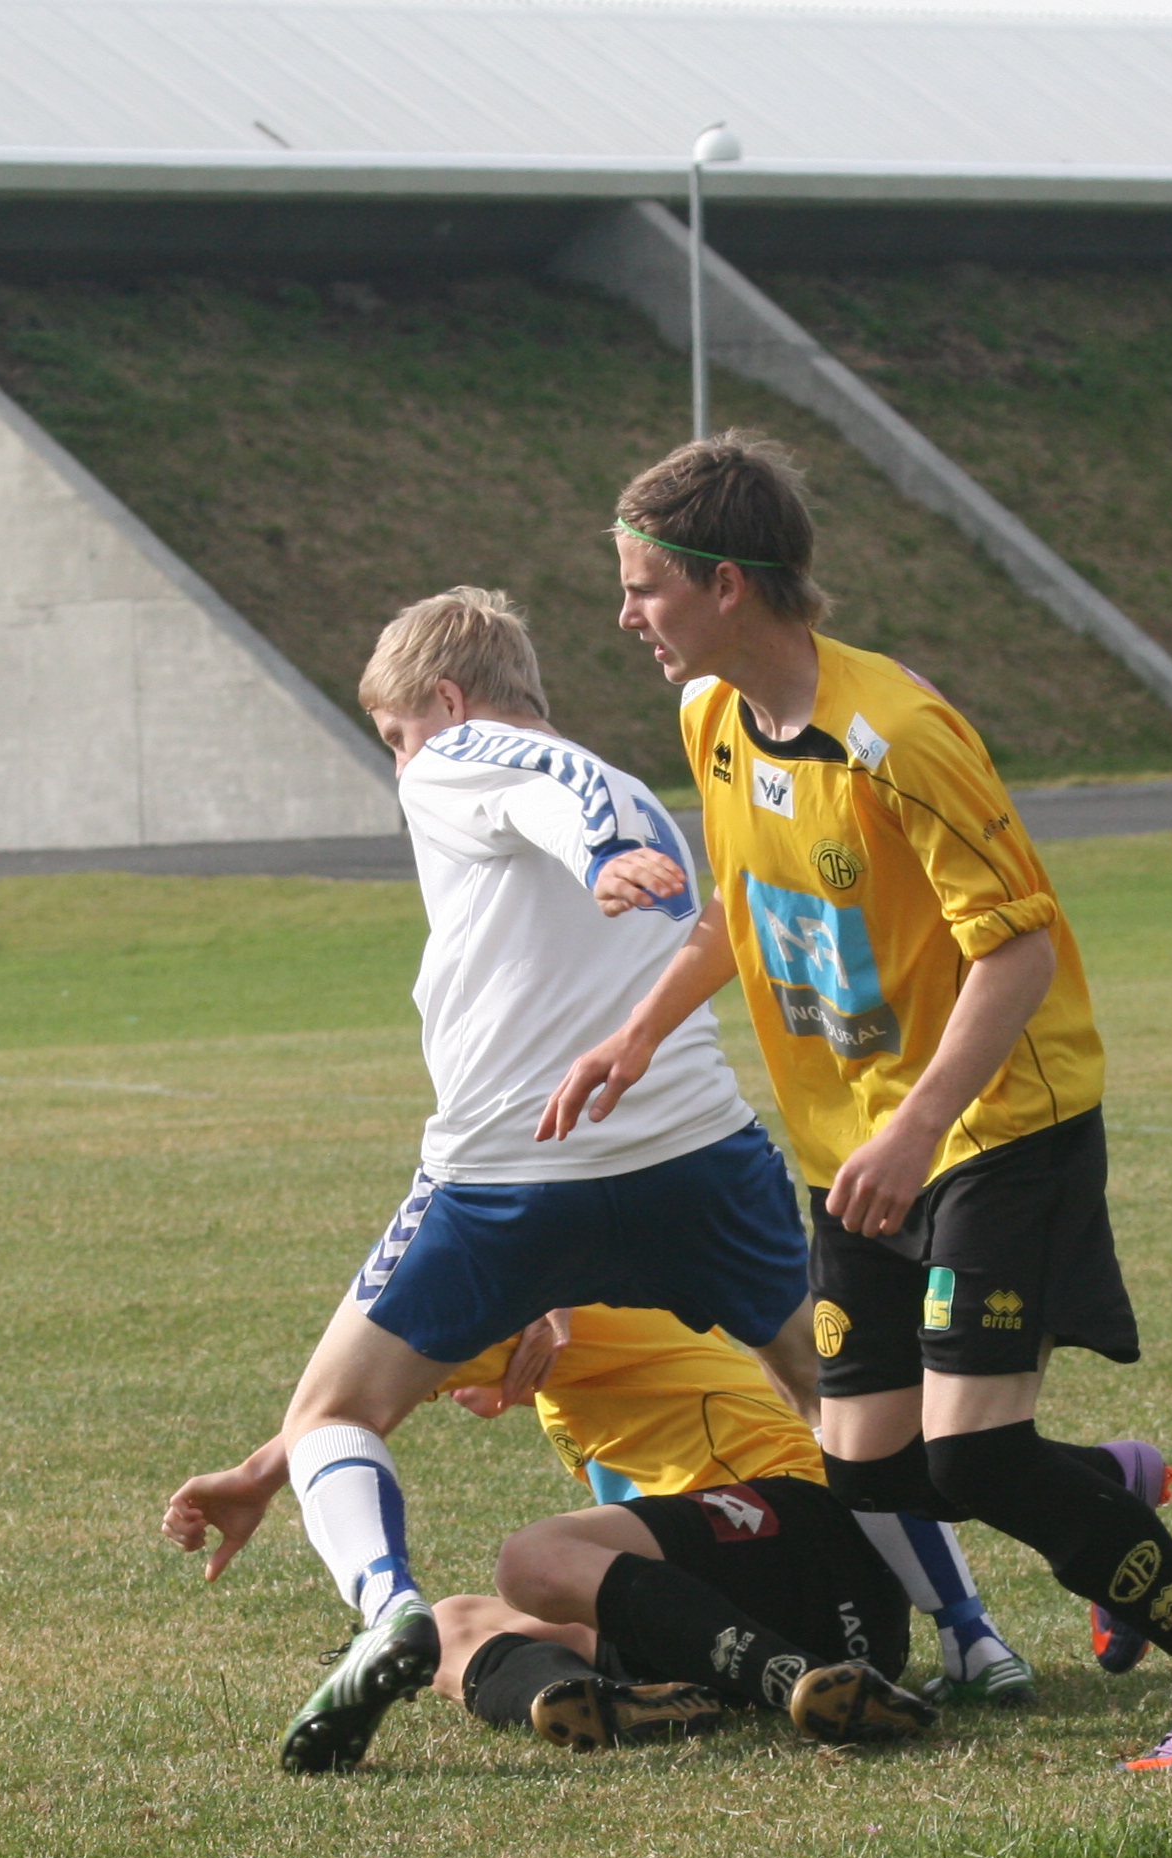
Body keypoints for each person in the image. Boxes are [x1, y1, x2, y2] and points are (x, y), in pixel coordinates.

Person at [545, 437, 1172, 1770]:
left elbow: (1018, 952)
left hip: (993, 1130)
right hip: (855, 1149)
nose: (625, 616)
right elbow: (742, 903)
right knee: (869, 1466)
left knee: (974, 1460)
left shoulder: (899, 738)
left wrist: (917, 1131)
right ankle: (1105, 1488)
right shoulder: (713, 719)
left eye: (643, 587)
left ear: (727, 584)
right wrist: (636, 1034)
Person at [162, 586, 820, 1773]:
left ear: (447, 701)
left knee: (336, 1414)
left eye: (395, 736)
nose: (402, 766)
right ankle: (972, 1633)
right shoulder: (638, 794)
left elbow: (541, 786)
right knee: (840, 1392)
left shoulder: (467, 759)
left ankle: (386, 1609)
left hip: (513, 1172)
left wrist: (600, 852)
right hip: (695, 1158)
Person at [167, 1306, 947, 1757]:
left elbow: (365, 1384)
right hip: (755, 1609)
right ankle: (598, 1700)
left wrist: (253, 1478)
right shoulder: (566, 1355)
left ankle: (794, 1680)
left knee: (534, 1560)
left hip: (813, 1538)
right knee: (451, 1623)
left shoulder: (569, 1309)